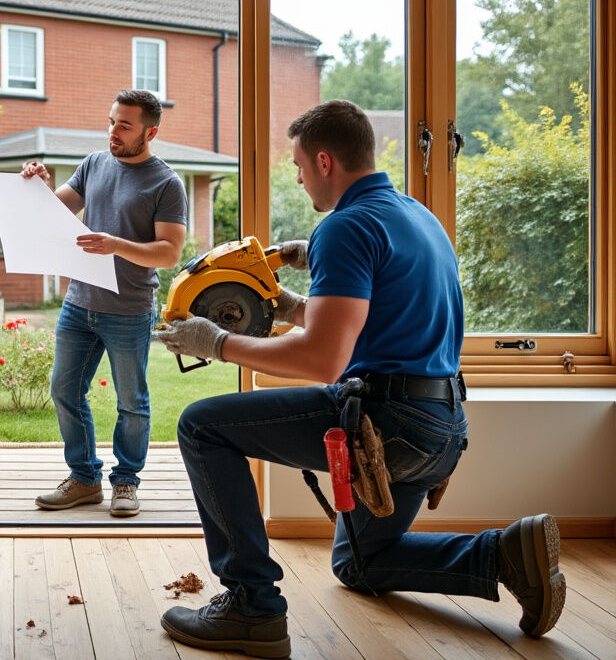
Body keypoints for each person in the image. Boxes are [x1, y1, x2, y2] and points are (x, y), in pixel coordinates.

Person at [153, 99, 564, 658]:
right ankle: (502, 556)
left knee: (202, 426)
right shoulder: (419, 216)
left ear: (325, 161)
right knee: (359, 564)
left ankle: (252, 608)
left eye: (299, 168)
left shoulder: (346, 226)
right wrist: (299, 305)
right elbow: (373, 320)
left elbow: (322, 361)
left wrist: (217, 343)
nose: (298, 180)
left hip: (386, 429)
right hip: (442, 431)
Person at [21, 89, 187, 518]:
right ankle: (84, 479)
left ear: (150, 131)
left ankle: (127, 482)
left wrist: (116, 245)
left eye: (124, 125)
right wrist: (36, 186)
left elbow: (169, 252)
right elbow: (53, 212)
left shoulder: (166, 183)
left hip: (129, 308)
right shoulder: (93, 164)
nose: (113, 131)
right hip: (79, 302)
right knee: (64, 390)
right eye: (112, 121)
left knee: (131, 401)